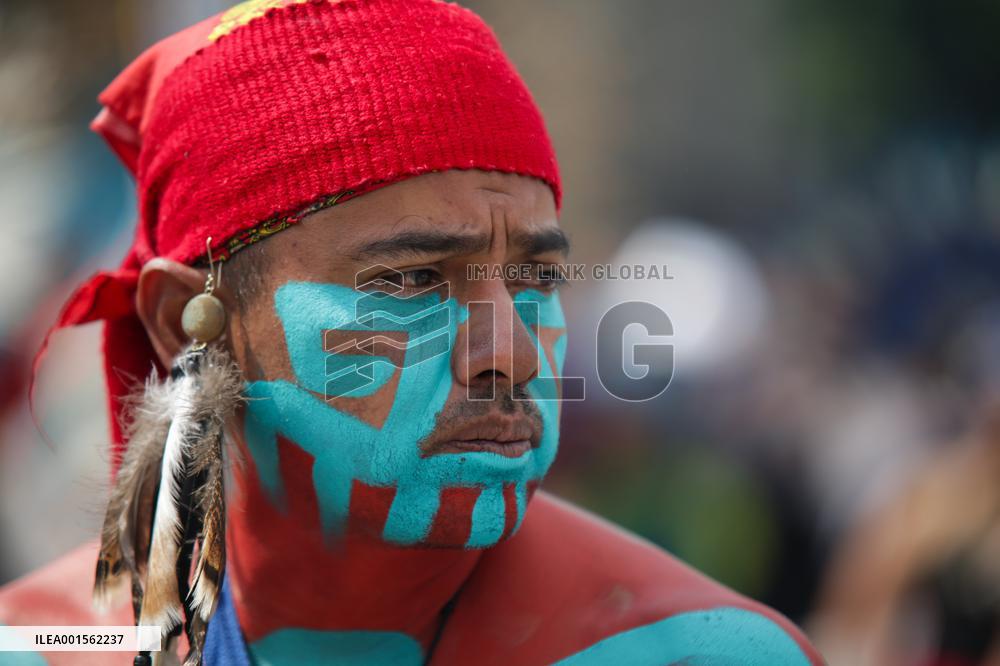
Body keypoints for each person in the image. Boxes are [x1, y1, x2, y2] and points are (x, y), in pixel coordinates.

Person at [0, 1, 823, 664]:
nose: (509, 353)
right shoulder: (53, 647)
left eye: (536, 277)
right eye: (410, 281)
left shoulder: (698, 651)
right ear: (190, 321)